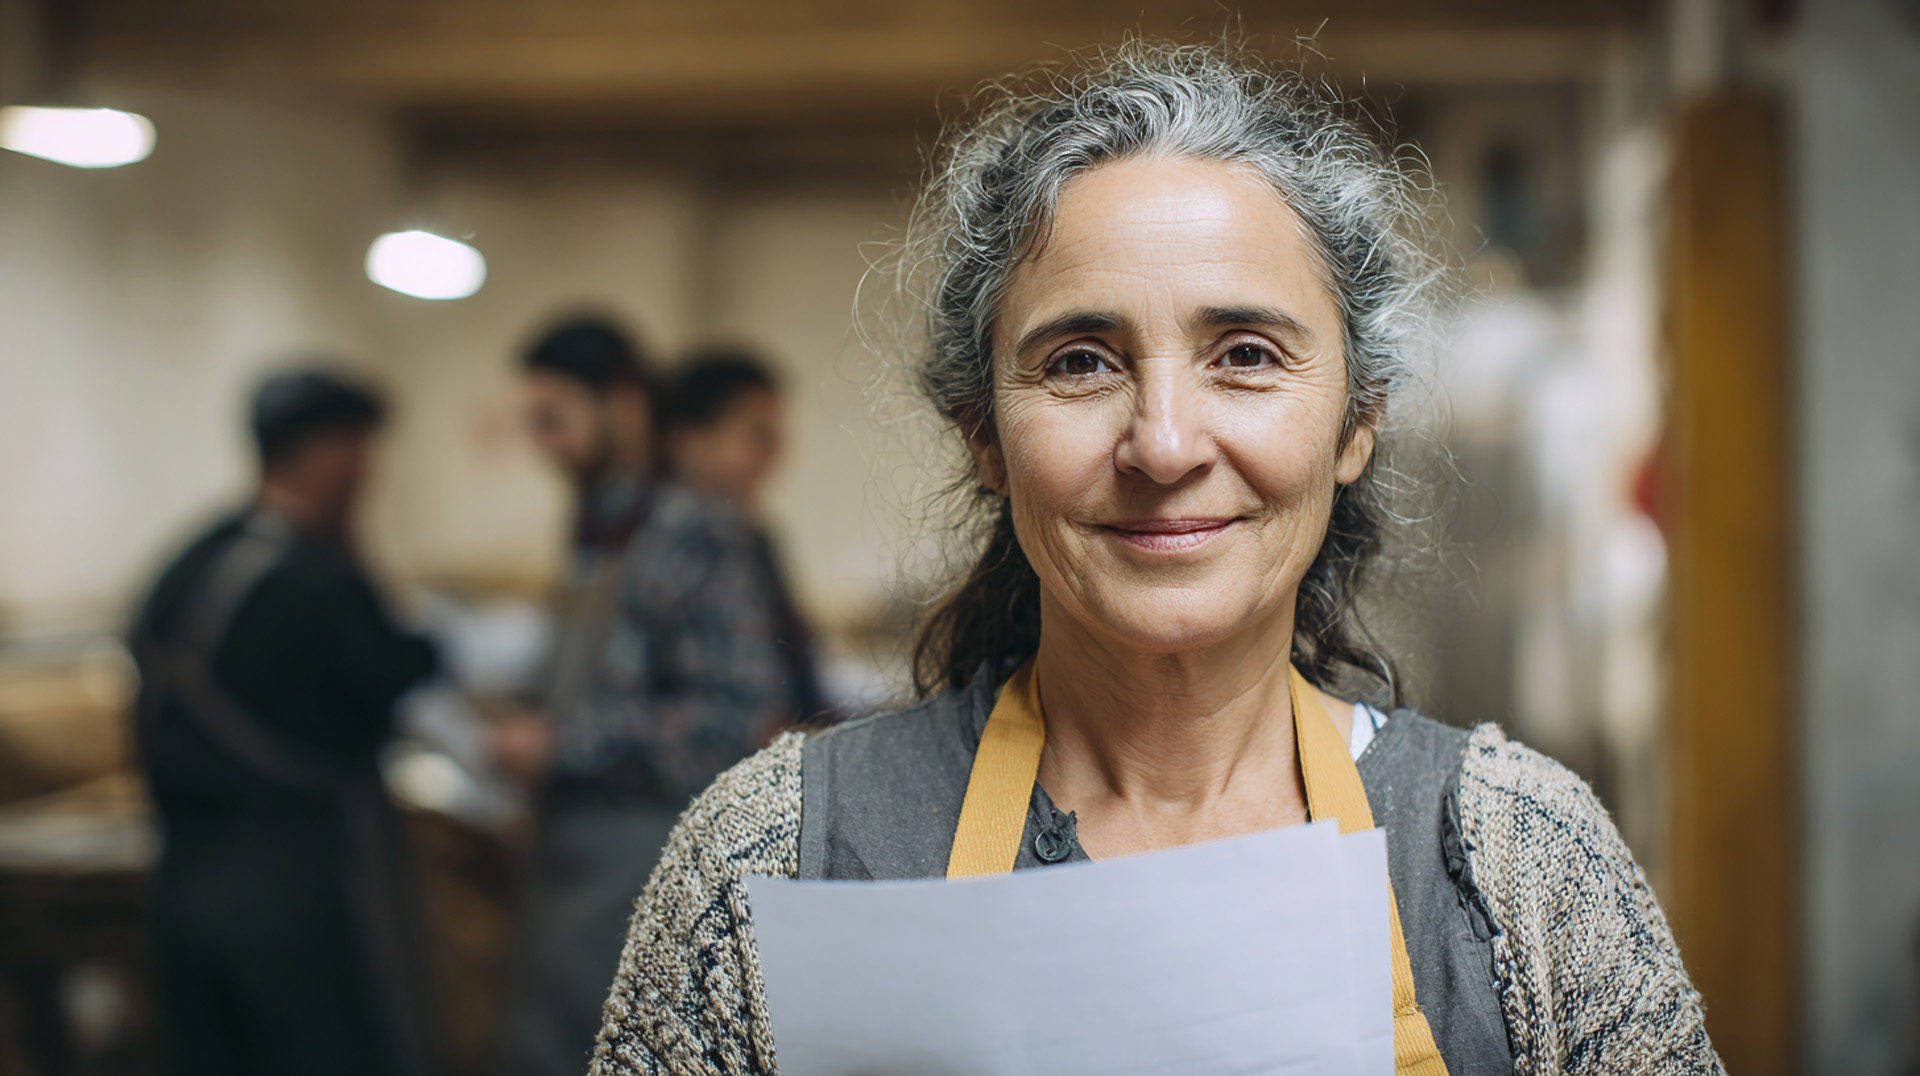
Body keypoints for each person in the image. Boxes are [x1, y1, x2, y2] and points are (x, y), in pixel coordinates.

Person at [588, 42, 1724, 1076]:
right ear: (984, 432)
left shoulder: (1518, 857)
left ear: (1357, 422)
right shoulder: (771, 854)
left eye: (1244, 353)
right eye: (1081, 361)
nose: (1166, 442)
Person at [493, 317, 792, 1076]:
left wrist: (562, 743)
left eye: (555, 420)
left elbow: (737, 715)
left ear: (624, 405)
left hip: (642, 862)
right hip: (572, 859)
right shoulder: (599, 528)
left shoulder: (694, 528)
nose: (546, 444)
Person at [130, 368, 438, 1076]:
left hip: (183, 881)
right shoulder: (318, 578)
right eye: (361, 454)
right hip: (306, 888)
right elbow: (395, 666)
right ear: (330, 455)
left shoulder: (188, 561)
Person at [664, 350, 831, 725]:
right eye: (756, 436)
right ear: (689, 440)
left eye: (775, 436)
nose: (774, 453)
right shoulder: (687, 537)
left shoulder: (750, 534)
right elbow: (748, 707)